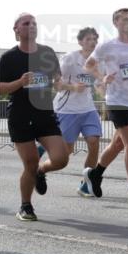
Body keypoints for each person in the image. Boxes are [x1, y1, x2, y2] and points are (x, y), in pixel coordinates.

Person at [81, 8, 128, 213]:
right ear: (115, 23)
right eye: (125, 19)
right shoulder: (107, 46)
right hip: (116, 101)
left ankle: (95, 174)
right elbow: (88, 65)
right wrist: (101, 78)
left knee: (117, 145)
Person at [0, 13, 69, 221]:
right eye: (26, 23)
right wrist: (19, 82)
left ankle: (41, 171)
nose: (31, 26)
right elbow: (0, 87)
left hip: (45, 113)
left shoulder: (47, 53)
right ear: (16, 30)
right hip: (20, 115)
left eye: (34, 23)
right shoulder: (9, 58)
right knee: (29, 163)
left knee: (61, 158)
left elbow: (57, 80)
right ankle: (25, 205)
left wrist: (62, 83)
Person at [53, 27, 103, 197]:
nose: (92, 42)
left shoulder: (97, 61)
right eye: (88, 39)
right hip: (67, 109)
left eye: (95, 39)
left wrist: (105, 84)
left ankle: (85, 183)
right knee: (65, 153)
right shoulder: (69, 59)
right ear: (80, 42)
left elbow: (98, 85)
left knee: (94, 142)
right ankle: (40, 168)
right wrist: (73, 87)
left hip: (88, 108)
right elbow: (57, 85)